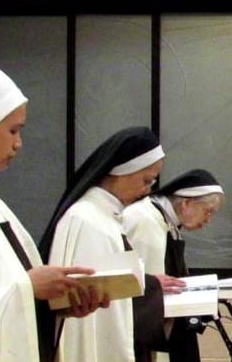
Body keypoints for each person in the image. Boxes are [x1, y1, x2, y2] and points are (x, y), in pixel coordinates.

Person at [0, 66, 106, 362]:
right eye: (13, 130)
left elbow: (8, 291)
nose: (18, 144)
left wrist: (55, 304)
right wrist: (28, 287)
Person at [38, 126, 186, 362]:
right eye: (146, 180)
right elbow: (85, 320)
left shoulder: (106, 216)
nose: (148, 190)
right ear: (122, 172)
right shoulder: (87, 220)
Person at [123, 168, 224, 362]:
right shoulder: (143, 219)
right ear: (186, 202)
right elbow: (139, 294)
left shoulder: (167, 223)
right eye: (208, 211)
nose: (208, 220)